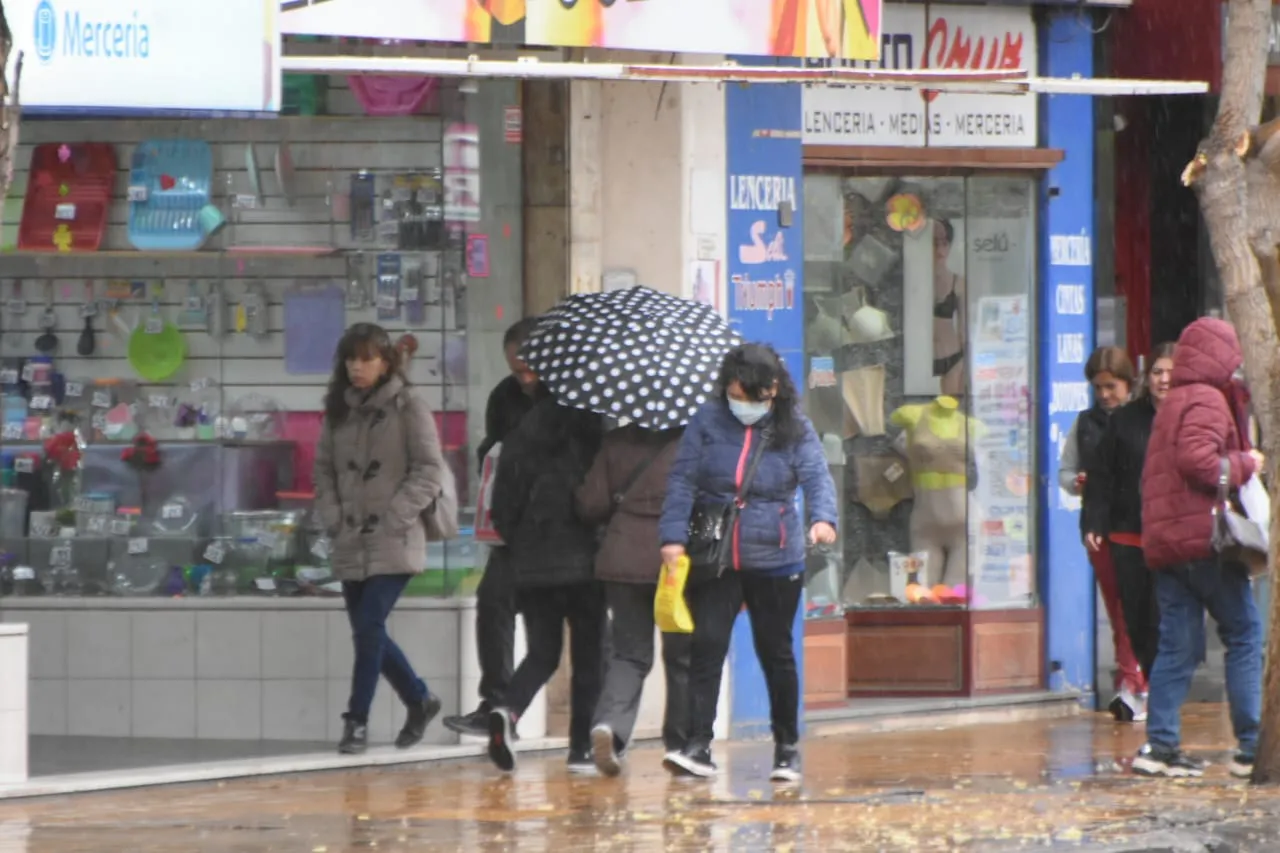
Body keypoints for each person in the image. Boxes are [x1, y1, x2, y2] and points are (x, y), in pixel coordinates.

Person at [658, 343, 838, 782]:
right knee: (706, 647)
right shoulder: (707, 421)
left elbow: (816, 475)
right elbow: (682, 480)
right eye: (737, 395)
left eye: (754, 397)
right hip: (717, 555)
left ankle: (786, 748)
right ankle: (697, 745)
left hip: (776, 553)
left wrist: (822, 519)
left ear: (773, 389)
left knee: (775, 653)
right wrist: (672, 537)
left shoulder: (794, 425)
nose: (746, 405)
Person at [1136, 317, 1264, 779]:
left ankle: (1159, 747)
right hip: (1205, 542)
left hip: (1168, 544)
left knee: (1178, 646)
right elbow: (1200, 462)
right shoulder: (1209, 400)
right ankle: (1251, 746)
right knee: (1245, 634)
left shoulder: (1173, 402)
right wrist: (1246, 462)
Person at [314, 323, 448, 755]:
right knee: (367, 631)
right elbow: (323, 471)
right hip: (350, 535)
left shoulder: (409, 406)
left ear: (386, 362)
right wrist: (333, 516)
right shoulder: (338, 410)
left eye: (367, 358)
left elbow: (429, 469)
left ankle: (356, 720)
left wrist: (397, 515)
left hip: (394, 537)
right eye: (351, 358)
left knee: (369, 625)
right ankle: (419, 699)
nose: (357, 367)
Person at [486, 397, 605, 774]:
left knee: (542, 653)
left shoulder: (520, 437)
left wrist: (522, 544)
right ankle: (581, 749)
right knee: (590, 657)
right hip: (585, 564)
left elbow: (501, 508)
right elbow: (598, 501)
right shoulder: (592, 436)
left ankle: (509, 710)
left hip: (533, 565)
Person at [443, 317, 548, 738]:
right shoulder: (504, 397)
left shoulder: (570, 399)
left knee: (563, 636)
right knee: (493, 601)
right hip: (513, 524)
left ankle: (599, 717)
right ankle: (496, 704)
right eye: (516, 370)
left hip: (561, 528)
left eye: (530, 370)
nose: (524, 379)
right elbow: (488, 449)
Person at [575, 423, 691, 778]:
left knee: (628, 654)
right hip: (675, 563)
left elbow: (589, 504)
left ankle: (610, 725)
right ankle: (681, 745)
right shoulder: (691, 443)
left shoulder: (615, 441)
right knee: (682, 655)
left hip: (622, 558)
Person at [1083, 344, 1177, 710]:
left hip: (1174, 535)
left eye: (1170, 372)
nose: (1163, 379)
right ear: (1146, 377)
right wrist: (1094, 518)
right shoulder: (1125, 420)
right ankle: (1141, 687)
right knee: (1132, 615)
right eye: (1157, 372)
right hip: (1127, 530)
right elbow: (1102, 476)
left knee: (1167, 615)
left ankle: (1159, 692)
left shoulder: (1194, 414)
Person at [1058, 346, 1145, 722]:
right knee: (1117, 609)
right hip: (1099, 528)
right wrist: (1077, 483)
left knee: (1135, 609)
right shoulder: (1085, 423)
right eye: (1098, 388)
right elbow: (1065, 472)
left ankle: (1133, 683)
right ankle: (1132, 684)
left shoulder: (1143, 419)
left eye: (1112, 386)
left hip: (1140, 526)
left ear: (1128, 384)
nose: (1105, 395)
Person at [931, 219, 966, 397]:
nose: (939, 250)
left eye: (944, 243)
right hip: (922, 359)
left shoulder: (958, 282)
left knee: (951, 413)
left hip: (952, 357)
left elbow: (963, 328)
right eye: (934, 243)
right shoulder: (914, 284)